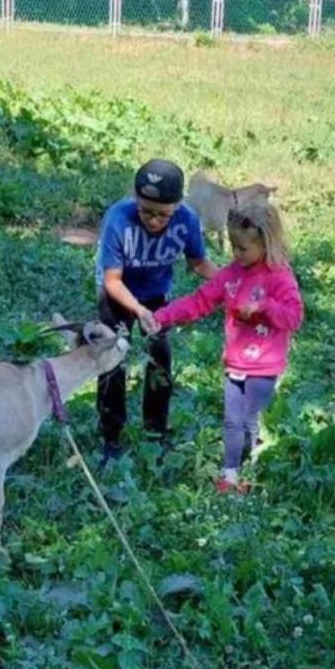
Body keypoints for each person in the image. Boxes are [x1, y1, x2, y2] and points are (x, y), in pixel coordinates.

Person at [153, 202, 303, 494]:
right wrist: (161, 317)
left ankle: (254, 468)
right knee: (232, 421)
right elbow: (199, 300)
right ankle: (230, 474)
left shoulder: (279, 276)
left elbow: (294, 316)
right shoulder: (232, 274)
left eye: (243, 248)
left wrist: (263, 307)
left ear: (266, 243)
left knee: (249, 421)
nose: (236, 253)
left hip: (264, 365)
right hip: (235, 363)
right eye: (233, 246)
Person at [95, 159, 218, 463]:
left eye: (162, 214)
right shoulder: (118, 219)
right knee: (112, 361)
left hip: (156, 296)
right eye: (146, 211)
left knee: (160, 359)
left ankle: (156, 431)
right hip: (119, 295)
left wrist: (232, 282)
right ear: (136, 201)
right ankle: (111, 436)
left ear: (177, 206)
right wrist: (136, 310)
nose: (153, 221)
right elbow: (112, 280)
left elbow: (199, 263)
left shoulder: (187, 220)